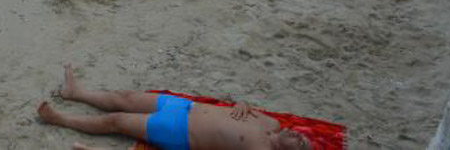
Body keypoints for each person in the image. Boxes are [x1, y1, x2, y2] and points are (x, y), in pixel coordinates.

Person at [37, 65, 310, 150]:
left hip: (180, 131)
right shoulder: (270, 124)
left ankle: (59, 119)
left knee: (117, 120)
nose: (299, 136)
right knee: (126, 96)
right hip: (186, 107)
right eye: (302, 136)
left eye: (300, 145)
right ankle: (77, 92)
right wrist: (243, 104)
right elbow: (246, 106)